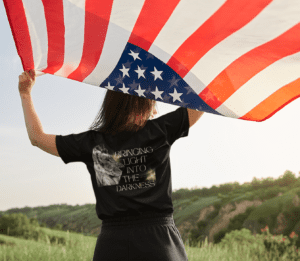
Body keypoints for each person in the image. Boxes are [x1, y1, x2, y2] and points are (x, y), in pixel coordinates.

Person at [19, 69, 204, 261]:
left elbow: (37, 138)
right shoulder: (159, 131)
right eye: (151, 104)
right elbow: (199, 103)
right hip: (159, 242)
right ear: (138, 105)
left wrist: (25, 94)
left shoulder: (93, 143)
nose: (155, 111)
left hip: (113, 243)